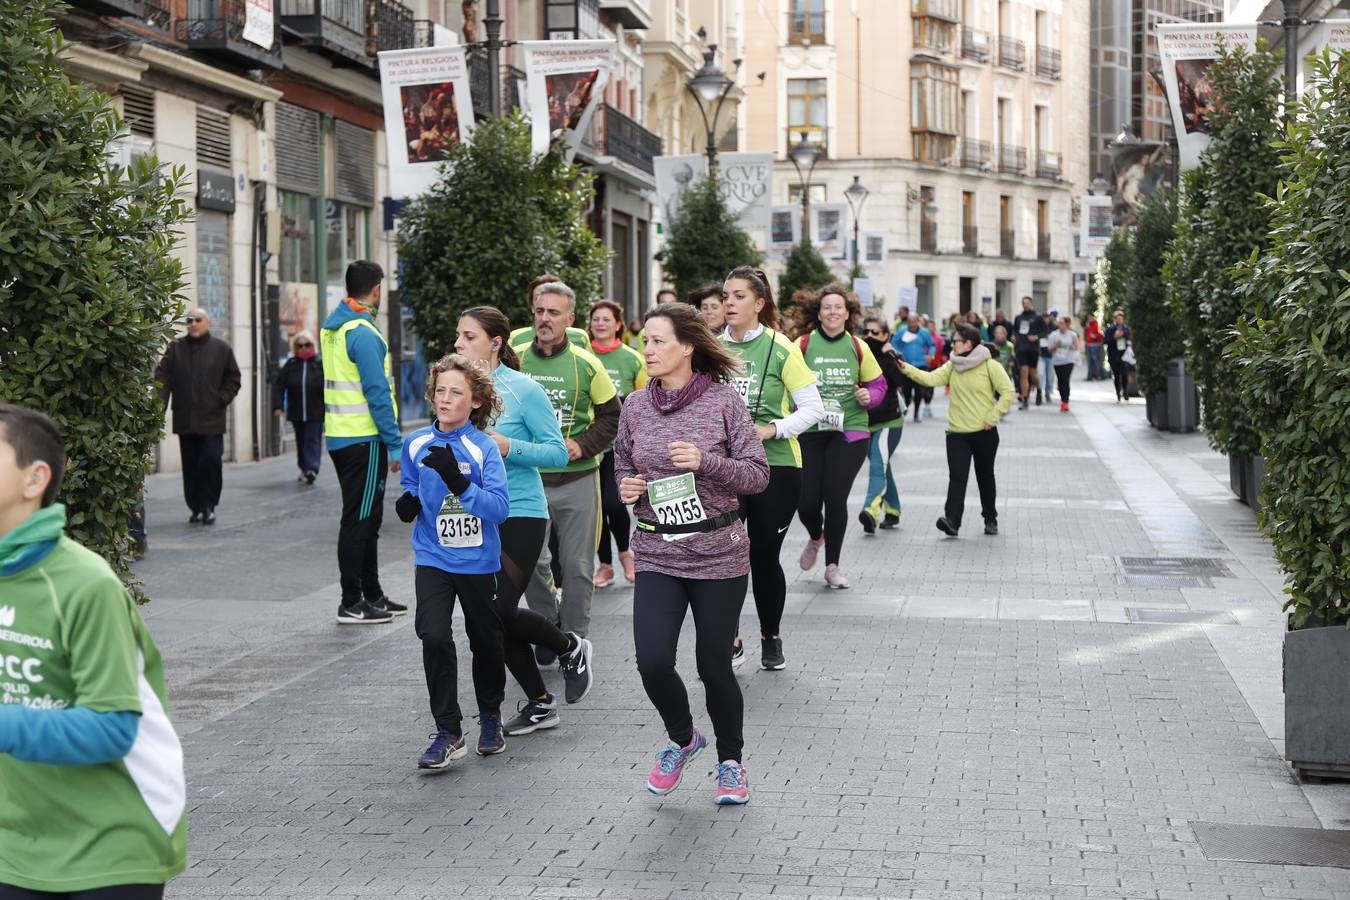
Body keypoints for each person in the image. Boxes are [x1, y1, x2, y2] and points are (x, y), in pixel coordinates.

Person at [0, 404, 187, 898]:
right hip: (15, 847)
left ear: (34, 479)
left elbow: (111, 728)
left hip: (111, 846)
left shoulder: (85, 584)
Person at [614, 303, 769, 804]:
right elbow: (620, 461)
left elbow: (758, 474)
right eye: (646, 342)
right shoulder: (636, 405)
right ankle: (683, 739)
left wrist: (708, 462)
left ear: (687, 347)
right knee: (652, 660)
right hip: (658, 548)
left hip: (718, 553)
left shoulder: (724, 403)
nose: (649, 350)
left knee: (713, 665)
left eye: (659, 341)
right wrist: (627, 486)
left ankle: (731, 763)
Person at [454, 308, 595, 735]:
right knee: (493, 614)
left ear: (495, 342)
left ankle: (569, 645)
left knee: (494, 610)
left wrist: (506, 445)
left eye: (468, 336)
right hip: (475, 513)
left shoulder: (523, 390)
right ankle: (540, 702)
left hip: (520, 510)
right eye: (458, 336)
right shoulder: (454, 387)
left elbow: (556, 452)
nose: (459, 343)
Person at [395, 356, 511, 765]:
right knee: (434, 635)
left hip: (478, 561)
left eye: (456, 392)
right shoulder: (415, 443)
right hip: (433, 556)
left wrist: (459, 482)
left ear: (475, 401)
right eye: (440, 391)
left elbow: (499, 509)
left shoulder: (483, 449)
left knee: (486, 642)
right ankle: (448, 730)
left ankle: (492, 715)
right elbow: (410, 481)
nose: (445, 399)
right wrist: (408, 501)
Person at [720, 266, 823, 670]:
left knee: (763, 555)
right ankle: (729, 637)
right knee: (725, 554)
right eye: (726, 295)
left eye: (739, 296)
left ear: (759, 304)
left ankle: (770, 636)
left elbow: (813, 409)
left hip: (776, 466)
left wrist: (772, 429)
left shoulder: (782, 347)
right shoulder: (710, 347)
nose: (729, 302)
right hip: (723, 468)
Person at [518, 281, 621, 654]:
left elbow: (612, 415)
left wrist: (584, 444)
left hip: (578, 478)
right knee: (530, 563)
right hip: (527, 478)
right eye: (540, 311)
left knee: (577, 567)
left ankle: (575, 639)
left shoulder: (586, 363)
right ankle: (547, 629)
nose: (545, 319)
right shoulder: (515, 359)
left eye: (554, 313)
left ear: (570, 319)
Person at [322, 260, 406, 625]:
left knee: (366, 519)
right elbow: (377, 393)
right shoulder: (364, 333)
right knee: (359, 520)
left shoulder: (335, 328)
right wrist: (396, 443)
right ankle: (351, 601)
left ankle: (372, 595)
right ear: (376, 291)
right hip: (364, 439)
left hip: (342, 437)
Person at [794, 285, 887, 590]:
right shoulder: (804, 345)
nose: (832, 312)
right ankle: (815, 535)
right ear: (818, 313)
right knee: (806, 502)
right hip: (810, 429)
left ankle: (832, 565)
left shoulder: (858, 347)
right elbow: (782, 382)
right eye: (826, 307)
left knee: (835, 496)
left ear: (848, 313)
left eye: (838, 307)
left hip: (849, 430)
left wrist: (868, 396)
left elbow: (879, 386)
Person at [896, 323, 1014, 537]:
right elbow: (930, 378)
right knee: (957, 477)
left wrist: (993, 416)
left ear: (968, 343)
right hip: (957, 433)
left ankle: (990, 518)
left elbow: (1007, 392)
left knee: (985, 476)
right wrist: (906, 368)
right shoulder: (953, 365)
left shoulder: (990, 366)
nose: (953, 343)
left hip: (984, 432)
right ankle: (952, 521)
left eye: (957, 340)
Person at [154, 307, 240, 526]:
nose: (193, 323)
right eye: (189, 320)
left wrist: (221, 399)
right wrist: (158, 406)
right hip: (186, 420)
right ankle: (195, 506)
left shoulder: (221, 349)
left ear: (207, 323)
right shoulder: (175, 349)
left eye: (197, 320)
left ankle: (210, 505)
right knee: (191, 466)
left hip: (212, 420)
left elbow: (233, 378)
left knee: (211, 462)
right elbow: (161, 378)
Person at [587, 299, 648, 588]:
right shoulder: (582, 355)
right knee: (595, 506)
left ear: (618, 325)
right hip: (587, 445)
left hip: (617, 444)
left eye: (606, 319)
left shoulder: (632, 358)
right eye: (596, 319)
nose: (600, 323)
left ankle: (626, 552)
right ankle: (605, 565)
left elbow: (645, 399)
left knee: (613, 502)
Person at [858, 315, 905, 534]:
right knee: (883, 465)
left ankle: (871, 510)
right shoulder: (858, 355)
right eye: (866, 332)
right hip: (866, 424)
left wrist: (889, 355)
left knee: (878, 465)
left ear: (885, 335)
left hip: (889, 422)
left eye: (874, 332)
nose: (869, 336)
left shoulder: (891, 356)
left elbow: (901, 381)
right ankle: (893, 509)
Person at [272, 331, 325, 484]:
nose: (303, 348)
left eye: (307, 345)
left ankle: (312, 468)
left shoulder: (319, 364)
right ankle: (304, 467)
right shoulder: (291, 365)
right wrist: (278, 405)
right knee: (301, 441)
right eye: (299, 345)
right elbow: (279, 386)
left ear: (312, 346)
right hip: (296, 411)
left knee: (312, 440)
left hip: (315, 411)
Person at [509, 274, 590, 351]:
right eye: (538, 297)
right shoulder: (516, 338)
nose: (545, 318)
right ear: (532, 306)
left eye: (553, 312)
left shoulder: (580, 337)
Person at [891, 313, 936, 423]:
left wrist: (931, 355)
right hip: (906, 365)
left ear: (918, 321)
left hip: (921, 365)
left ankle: (916, 413)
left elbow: (932, 345)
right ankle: (906, 403)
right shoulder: (902, 331)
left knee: (919, 390)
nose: (912, 324)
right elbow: (893, 344)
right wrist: (898, 355)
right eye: (910, 322)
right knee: (906, 391)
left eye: (914, 322)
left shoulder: (924, 332)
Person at [1011, 296, 1047, 410]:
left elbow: (1045, 331)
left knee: (1033, 374)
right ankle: (1025, 399)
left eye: (1027, 303)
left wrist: (1036, 337)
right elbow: (1015, 330)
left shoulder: (1037, 317)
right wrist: (1013, 337)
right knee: (1023, 372)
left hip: (1033, 348)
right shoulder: (1018, 318)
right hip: (1021, 348)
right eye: (1024, 303)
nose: (1025, 305)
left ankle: (1039, 390)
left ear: (1031, 303)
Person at [1046, 316, 1080, 412]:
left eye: (1062, 323)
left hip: (1069, 360)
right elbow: (1049, 349)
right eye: (1059, 323)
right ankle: (1062, 399)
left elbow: (1076, 346)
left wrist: (1072, 347)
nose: (1060, 325)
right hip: (1057, 361)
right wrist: (1056, 346)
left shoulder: (1072, 335)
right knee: (1060, 381)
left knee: (1065, 380)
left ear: (1067, 324)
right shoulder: (1054, 335)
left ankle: (1065, 402)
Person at [1104, 309, 1135, 403]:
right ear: (1114, 319)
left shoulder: (1126, 328)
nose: (1119, 320)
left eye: (1121, 319)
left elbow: (1130, 337)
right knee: (1116, 375)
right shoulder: (1110, 329)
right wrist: (1115, 337)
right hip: (1114, 355)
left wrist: (1128, 341)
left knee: (1125, 373)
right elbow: (1105, 341)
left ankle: (1125, 391)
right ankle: (1118, 393)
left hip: (1124, 355)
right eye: (1117, 319)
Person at [1038, 309, 1059, 401]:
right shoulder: (1038, 327)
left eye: (1047, 318)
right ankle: (1040, 392)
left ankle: (1048, 393)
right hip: (1041, 354)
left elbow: (1057, 337)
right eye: (1044, 319)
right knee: (1041, 374)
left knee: (1050, 376)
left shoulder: (1054, 327)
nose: (1046, 320)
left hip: (1051, 354)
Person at [1084, 315, 1106, 381]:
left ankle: (1099, 376)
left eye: (1091, 317)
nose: (1089, 319)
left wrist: (1095, 336)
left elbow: (1102, 335)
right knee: (1089, 362)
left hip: (1096, 345)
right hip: (1089, 345)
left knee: (1097, 361)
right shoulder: (1088, 325)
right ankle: (1090, 376)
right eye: (1088, 317)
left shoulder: (1097, 325)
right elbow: (1086, 335)